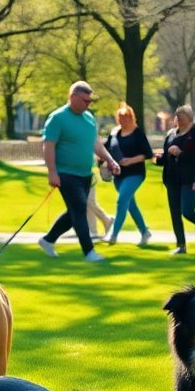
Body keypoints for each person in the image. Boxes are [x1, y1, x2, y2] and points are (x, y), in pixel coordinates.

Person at [37, 81, 121, 263]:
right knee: (80, 211)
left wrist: (110, 160)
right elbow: (48, 145)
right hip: (66, 174)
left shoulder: (89, 118)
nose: (88, 104)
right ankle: (89, 252)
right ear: (73, 96)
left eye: (90, 101)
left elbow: (96, 144)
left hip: (85, 175)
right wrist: (52, 172)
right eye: (85, 100)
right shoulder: (57, 118)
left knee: (75, 211)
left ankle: (48, 240)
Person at [155, 105, 195, 255]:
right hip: (172, 179)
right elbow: (166, 156)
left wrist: (180, 154)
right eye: (178, 117)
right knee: (175, 212)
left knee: (188, 211)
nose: (180, 120)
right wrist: (158, 159)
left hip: (190, 179)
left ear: (190, 119)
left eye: (183, 118)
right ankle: (181, 245)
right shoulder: (171, 134)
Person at [101, 103, 155, 245]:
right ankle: (145, 232)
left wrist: (130, 161)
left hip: (135, 173)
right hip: (118, 175)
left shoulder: (137, 133)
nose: (122, 119)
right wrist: (103, 162)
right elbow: (105, 150)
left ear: (132, 117)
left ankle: (113, 235)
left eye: (126, 116)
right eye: (120, 116)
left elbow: (148, 154)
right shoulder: (114, 133)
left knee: (121, 201)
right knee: (130, 204)